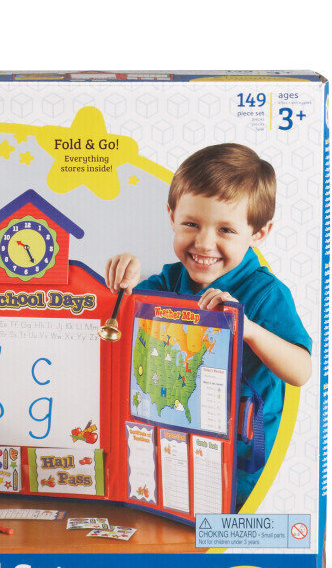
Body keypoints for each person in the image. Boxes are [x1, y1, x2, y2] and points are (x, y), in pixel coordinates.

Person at [105, 143, 312, 506]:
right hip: (172, 454)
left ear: (259, 233)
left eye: (226, 230)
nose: (203, 243)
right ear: (171, 216)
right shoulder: (169, 282)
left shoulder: (265, 293)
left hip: (242, 469)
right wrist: (126, 280)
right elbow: (121, 320)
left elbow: (301, 370)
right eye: (191, 224)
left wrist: (249, 329)